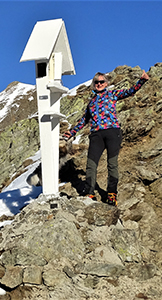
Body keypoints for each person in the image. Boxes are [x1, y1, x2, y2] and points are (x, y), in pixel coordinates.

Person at [63, 70, 149, 206]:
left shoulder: (112, 94)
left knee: (112, 164)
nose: (99, 84)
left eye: (102, 82)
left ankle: (112, 195)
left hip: (113, 132)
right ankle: (90, 192)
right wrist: (72, 132)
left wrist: (142, 80)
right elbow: (83, 121)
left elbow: (131, 91)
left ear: (107, 83)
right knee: (91, 164)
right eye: (96, 82)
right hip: (96, 135)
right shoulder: (91, 102)